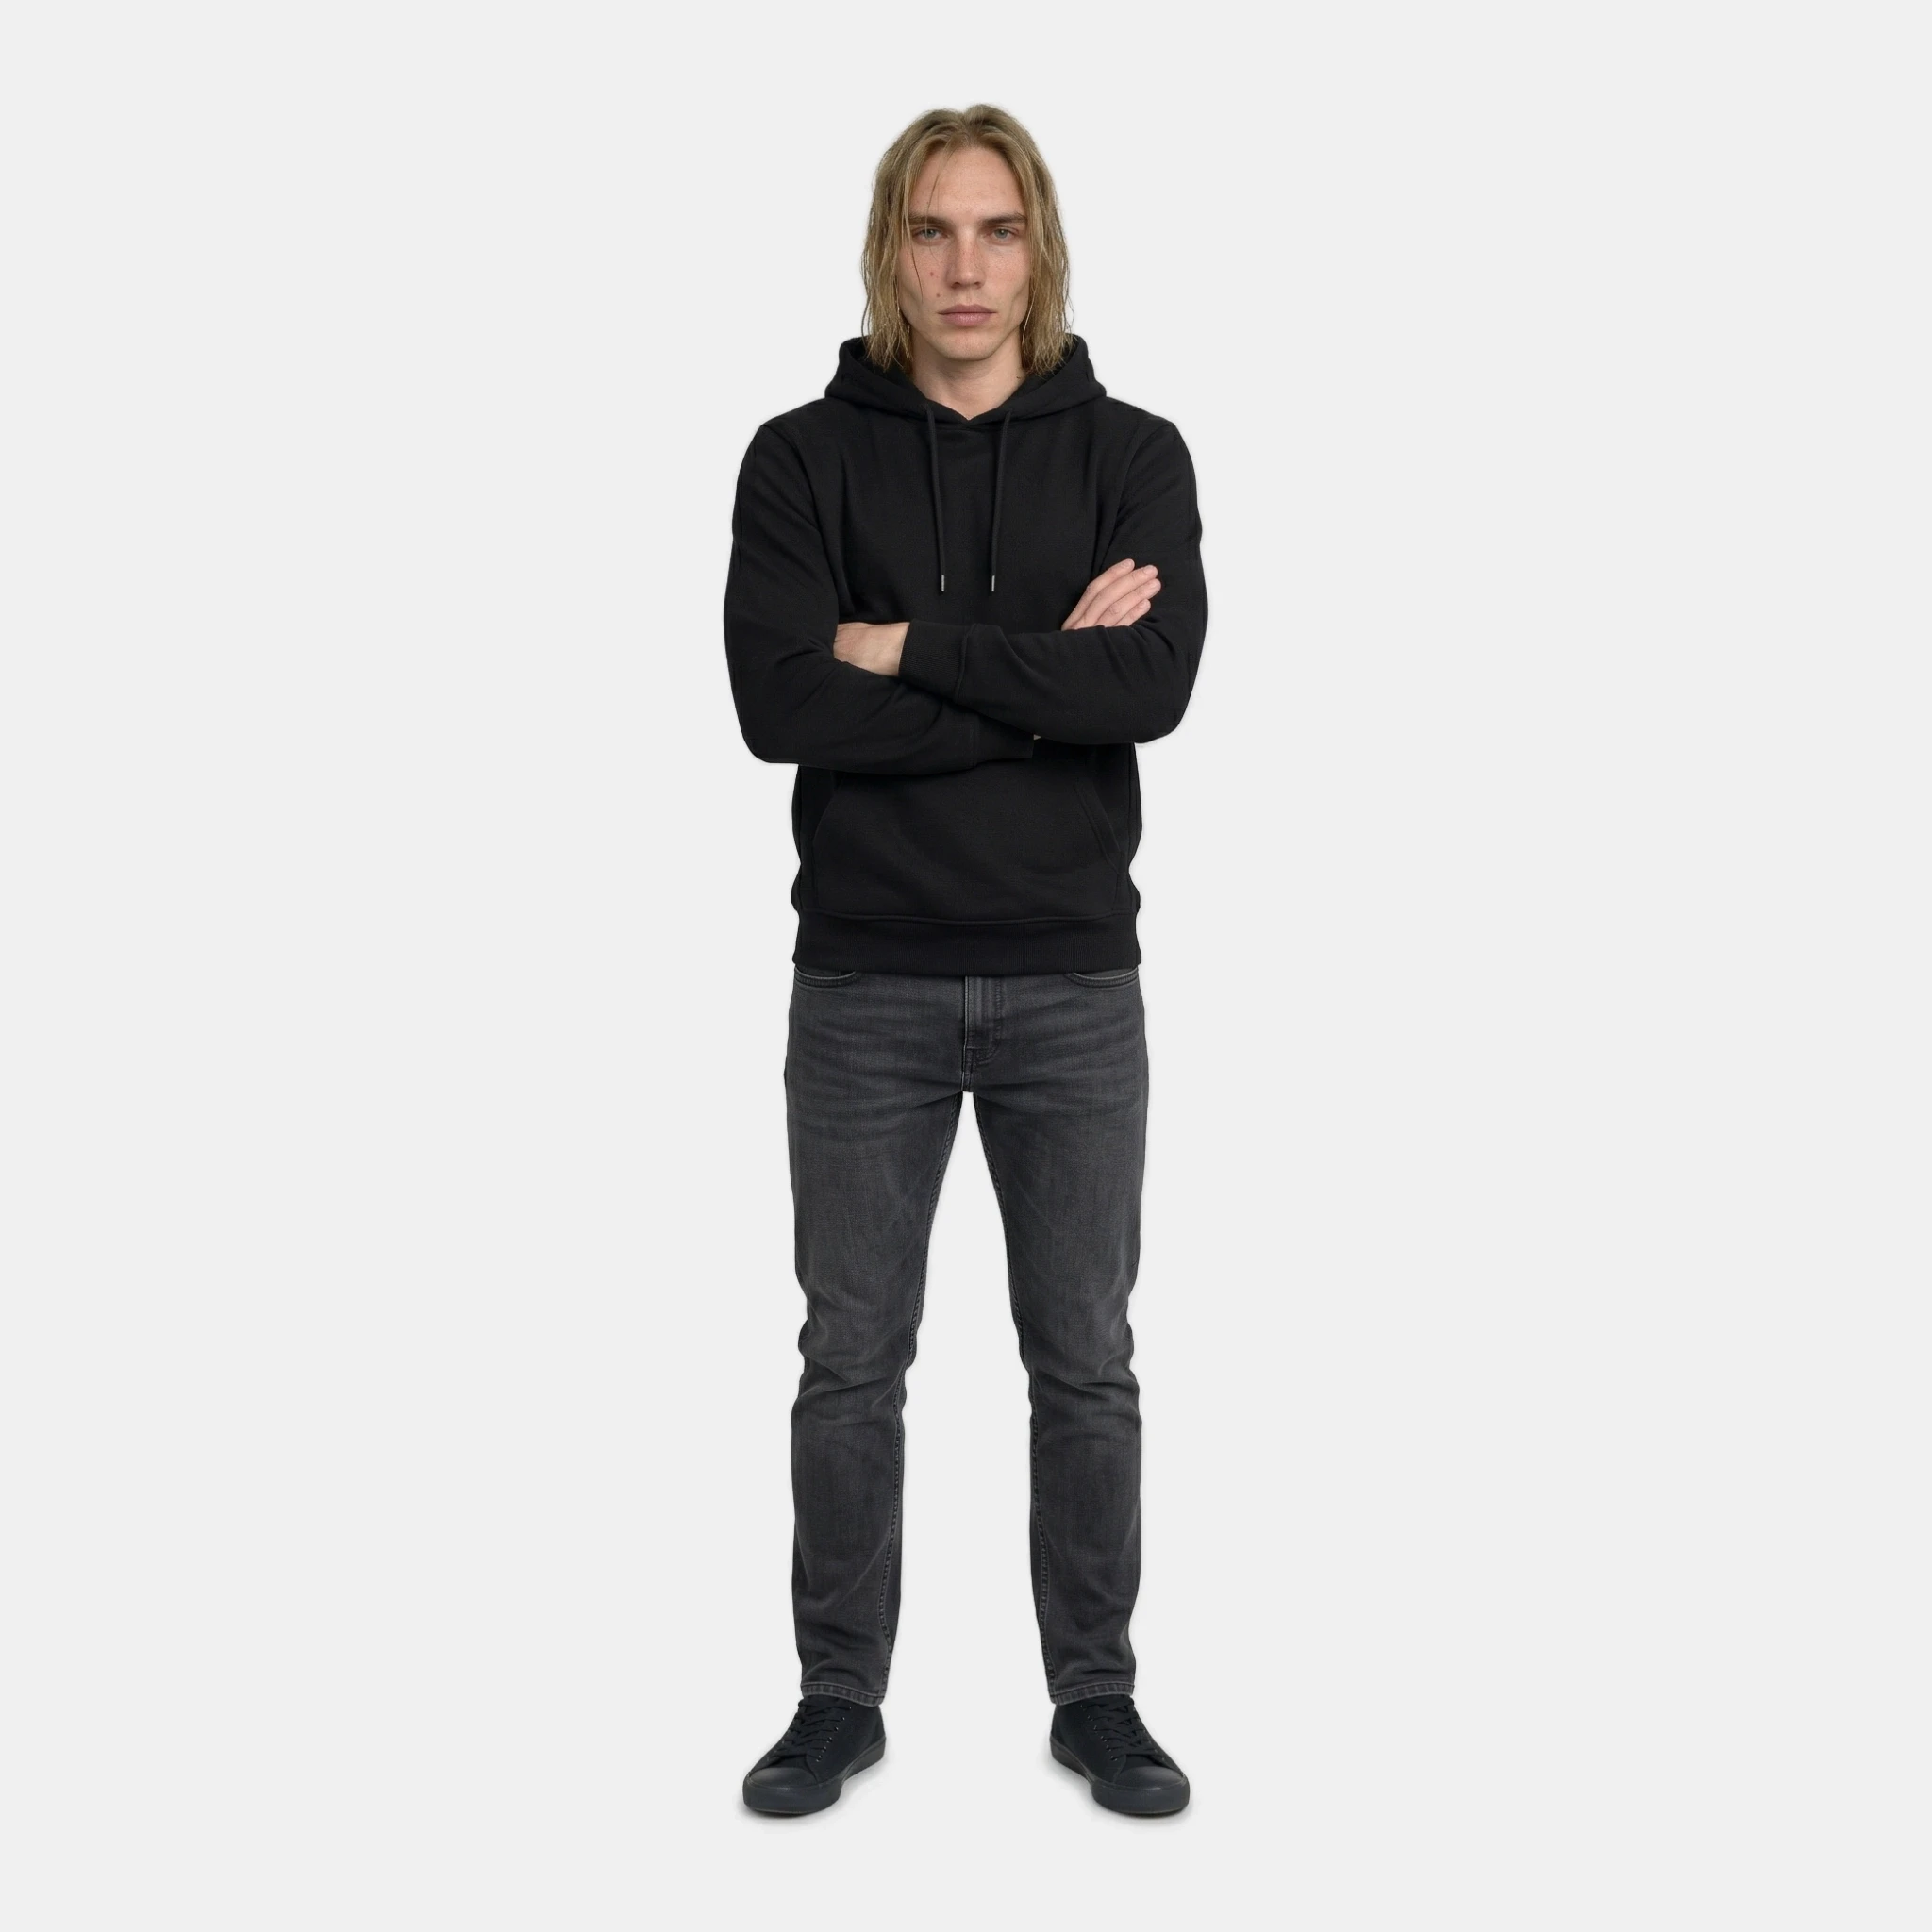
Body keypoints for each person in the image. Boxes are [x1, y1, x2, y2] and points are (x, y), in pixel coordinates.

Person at [723, 103, 1208, 1817]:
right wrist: (1033, 681)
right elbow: (780, 704)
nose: (965, 268)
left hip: (1074, 981)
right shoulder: (799, 460)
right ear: (891, 249)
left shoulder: (1134, 455)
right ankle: (835, 1700)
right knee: (850, 1364)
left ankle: (1099, 1699)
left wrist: (902, 648)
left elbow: (1148, 688)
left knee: (1088, 1363)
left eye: (997, 230)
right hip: (866, 982)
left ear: (1039, 247)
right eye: (933, 231)